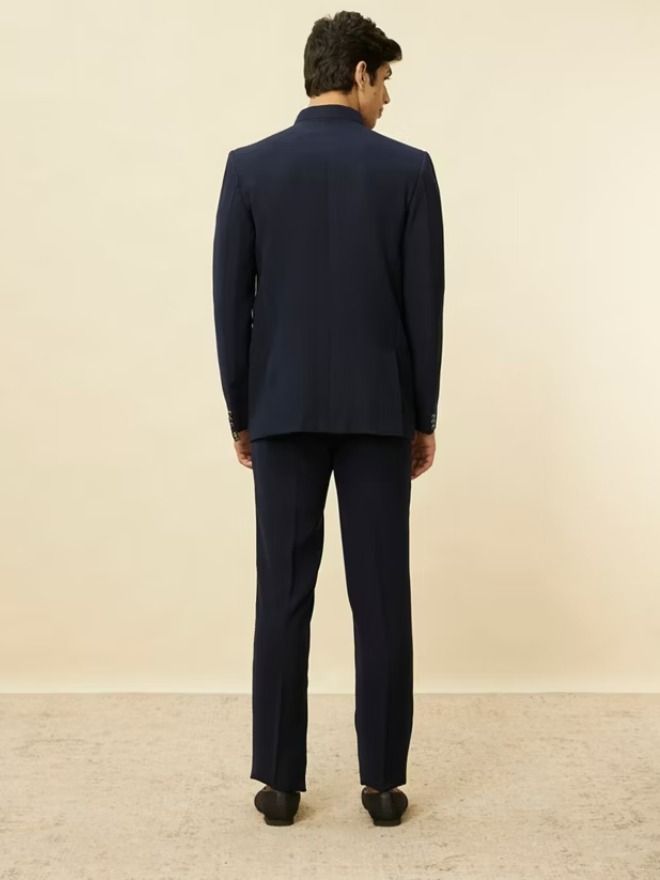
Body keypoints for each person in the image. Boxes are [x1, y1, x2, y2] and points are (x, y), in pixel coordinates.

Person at [211, 10, 444, 826]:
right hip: (379, 411)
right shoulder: (408, 171)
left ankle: (280, 783)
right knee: (381, 595)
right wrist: (422, 414)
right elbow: (424, 306)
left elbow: (230, 304)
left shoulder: (250, 168)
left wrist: (242, 410)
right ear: (359, 74)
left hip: (281, 409)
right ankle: (382, 784)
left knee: (282, 592)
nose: (388, 101)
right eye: (386, 82)